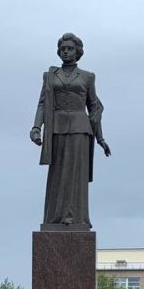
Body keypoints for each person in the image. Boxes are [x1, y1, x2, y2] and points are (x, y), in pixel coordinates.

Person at [30, 32, 111, 229]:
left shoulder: (87, 77)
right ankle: (55, 217)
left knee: (75, 174)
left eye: (70, 49)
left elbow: (94, 108)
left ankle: (75, 217)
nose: (66, 52)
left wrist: (100, 138)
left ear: (78, 52)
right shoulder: (50, 76)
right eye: (63, 49)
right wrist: (36, 127)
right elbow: (42, 104)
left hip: (80, 129)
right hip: (56, 128)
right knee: (58, 174)